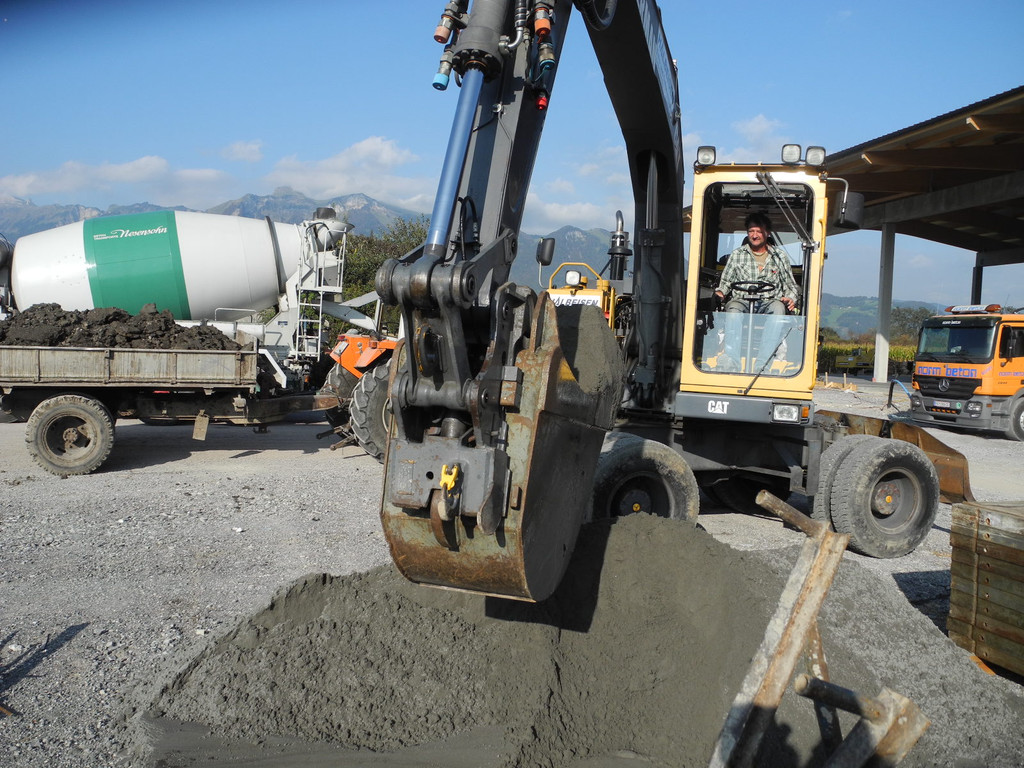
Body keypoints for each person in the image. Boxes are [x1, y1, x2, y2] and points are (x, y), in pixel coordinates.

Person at [712, 213, 799, 372]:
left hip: (769, 301)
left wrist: (790, 298)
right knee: (732, 310)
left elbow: (790, 285)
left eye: (759, 231)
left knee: (778, 309)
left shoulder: (779, 257)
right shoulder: (737, 255)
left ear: (767, 233)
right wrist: (719, 294)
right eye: (751, 231)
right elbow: (725, 282)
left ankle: (762, 364)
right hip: (742, 300)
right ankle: (732, 362)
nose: (754, 235)